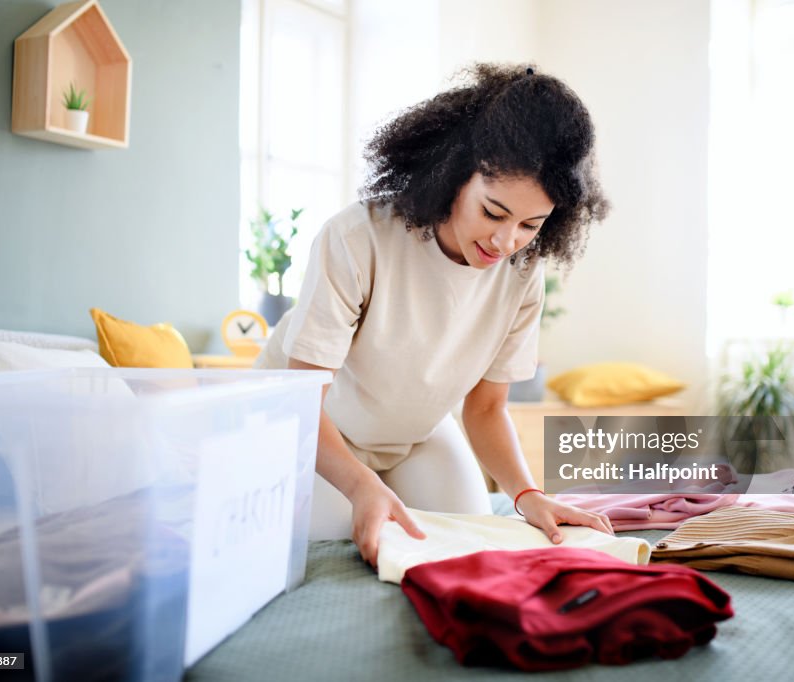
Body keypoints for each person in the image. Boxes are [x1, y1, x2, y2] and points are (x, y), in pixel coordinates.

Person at [255, 63, 612, 566]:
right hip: (306, 430)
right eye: (493, 212)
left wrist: (528, 495)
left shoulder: (522, 273)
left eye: (531, 224)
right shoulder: (358, 239)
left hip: (412, 436)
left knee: (470, 539)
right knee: (349, 542)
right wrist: (361, 487)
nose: (506, 241)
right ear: (452, 174)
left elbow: (486, 409)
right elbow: (301, 401)